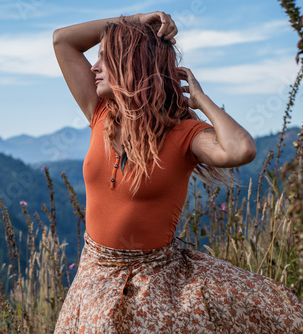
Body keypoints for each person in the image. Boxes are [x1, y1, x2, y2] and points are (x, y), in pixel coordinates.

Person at [52, 11, 303, 333]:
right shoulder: (100, 113)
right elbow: (63, 40)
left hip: (155, 277)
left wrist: (202, 100)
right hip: (95, 272)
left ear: (132, 66)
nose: (93, 67)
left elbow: (240, 150)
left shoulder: (183, 133)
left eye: (105, 58)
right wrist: (138, 21)